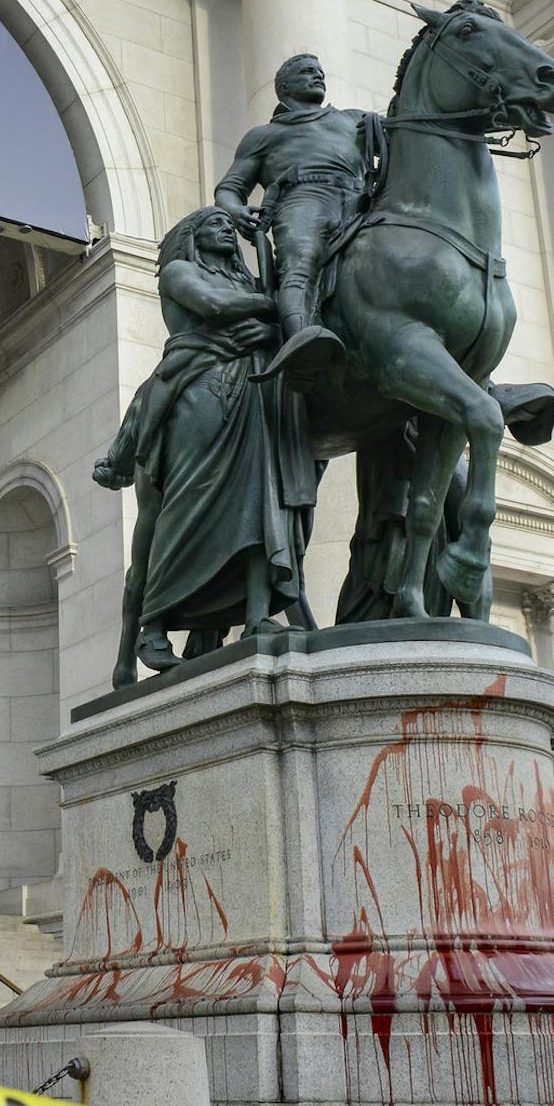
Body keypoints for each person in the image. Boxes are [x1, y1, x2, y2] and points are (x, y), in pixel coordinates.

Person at [94, 207, 319, 686]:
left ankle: (257, 615)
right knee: (186, 502)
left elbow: (266, 326)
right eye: (213, 223)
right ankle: (152, 628)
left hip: (251, 390)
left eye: (228, 224)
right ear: (192, 237)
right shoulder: (179, 271)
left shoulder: (247, 282)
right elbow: (213, 307)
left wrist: (269, 328)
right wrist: (274, 304)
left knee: (261, 501)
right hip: (198, 387)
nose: (226, 229)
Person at [212, 53, 381, 386]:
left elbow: (409, 133)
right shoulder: (264, 135)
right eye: (307, 71)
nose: (318, 76)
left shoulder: (353, 120)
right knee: (300, 264)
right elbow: (229, 189)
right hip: (304, 199)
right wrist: (235, 210)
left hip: (361, 197)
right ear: (284, 87)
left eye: (320, 71)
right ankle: (303, 343)